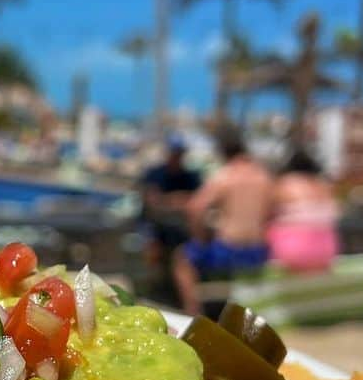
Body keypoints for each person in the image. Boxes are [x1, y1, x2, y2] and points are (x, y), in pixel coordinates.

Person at [173, 126, 274, 316]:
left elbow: (195, 207)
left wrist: (200, 236)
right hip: (258, 251)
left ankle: (192, 313)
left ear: (223, 151)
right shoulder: (264, 176)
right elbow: (270, 212)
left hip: (229, 250)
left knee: (182, 259)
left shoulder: (226, 175)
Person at [267, 149, 340, 273]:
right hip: (326, 247)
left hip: (293, 247)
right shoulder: (323, 185)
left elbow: (268, 212)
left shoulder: (285, 183)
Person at [141, 136, 201, 266]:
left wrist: (166, 200)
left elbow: (196, 201)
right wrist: (178, 199)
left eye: (179, 154)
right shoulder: (155, 173)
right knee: (152, 245)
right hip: (155, 224)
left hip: (180, 224)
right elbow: (152, 202)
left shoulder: (190, 176)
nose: (177, 157)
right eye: (175, 153)